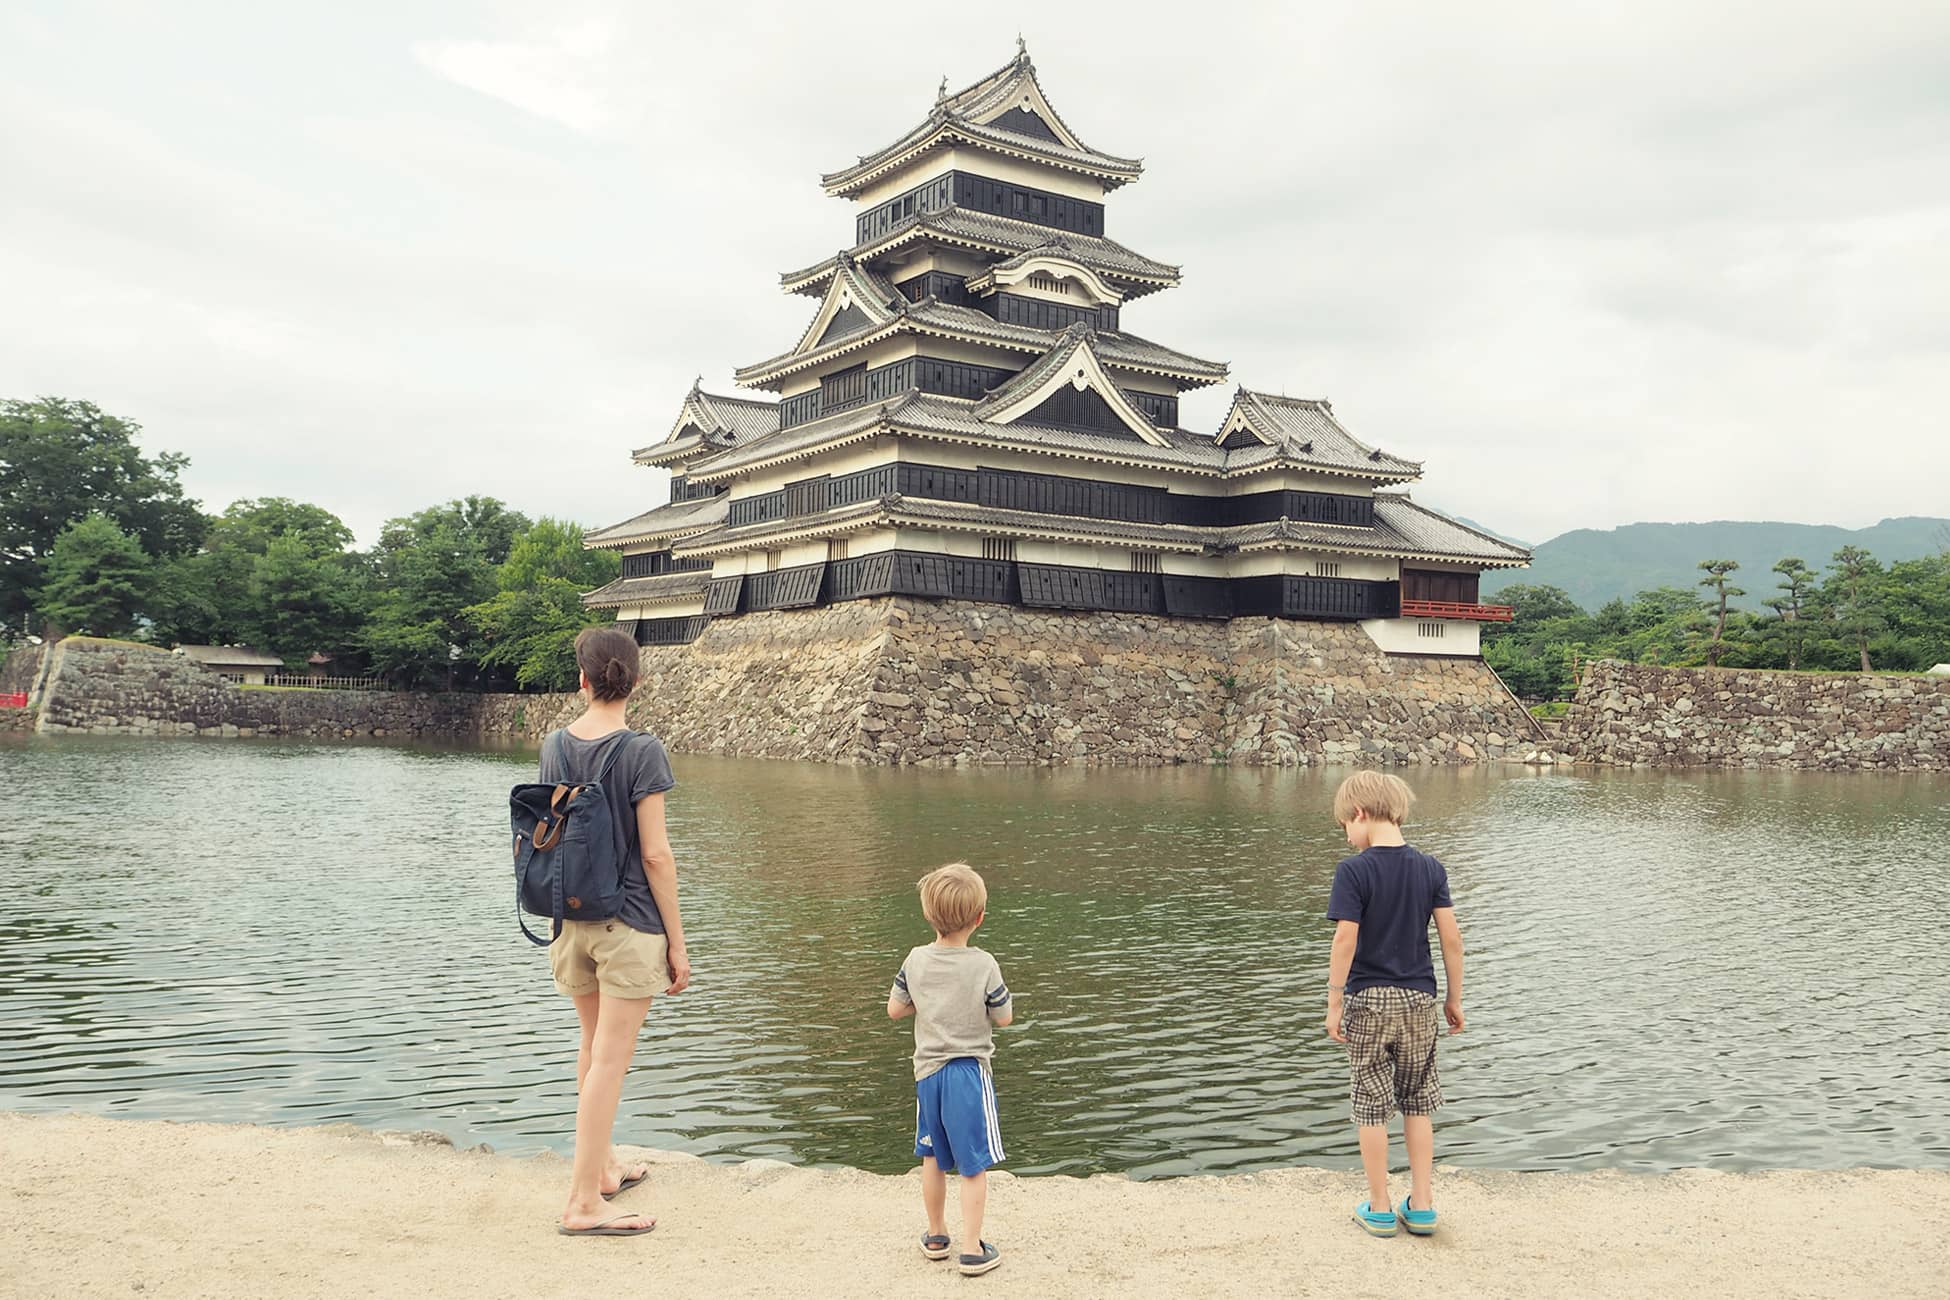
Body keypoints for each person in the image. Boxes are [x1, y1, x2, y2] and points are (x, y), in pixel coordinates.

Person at [544, 626, 692, 1238]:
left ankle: (603, 1169)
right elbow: (655, 855)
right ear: (636, 681)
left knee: (591, 1047)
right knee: (610, 1058)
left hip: (568, 920)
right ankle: (583, 1201)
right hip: (628, 923)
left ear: (582, 680)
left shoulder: (555, 745)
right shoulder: (642, 750)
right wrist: (677, 942)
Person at [1322, 771, 1465, 1239]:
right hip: (1420, 1000)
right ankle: (1421, 1206)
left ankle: (1380, 1207)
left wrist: (1334, 1001)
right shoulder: (1430, 868)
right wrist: (1454, 997)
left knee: (1371, 1104)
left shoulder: (1353, 871)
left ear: (1360, 813)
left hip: (1369, 1000)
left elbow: (1345, 939)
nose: (1347, 835)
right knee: (1418, 1101)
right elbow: (1452, 939)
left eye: (1346, 825)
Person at [887, 864, 1013, 1277]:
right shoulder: (984, 964)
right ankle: (973, 1249)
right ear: (979, 918)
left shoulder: (915, 959)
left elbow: (895, 1010)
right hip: (968, 1075)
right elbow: (1004, 1017)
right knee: (973, 1165)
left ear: (928, 915)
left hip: (927, 1074)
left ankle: (937, 1235)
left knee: (932, 1156)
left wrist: (928, 1003)